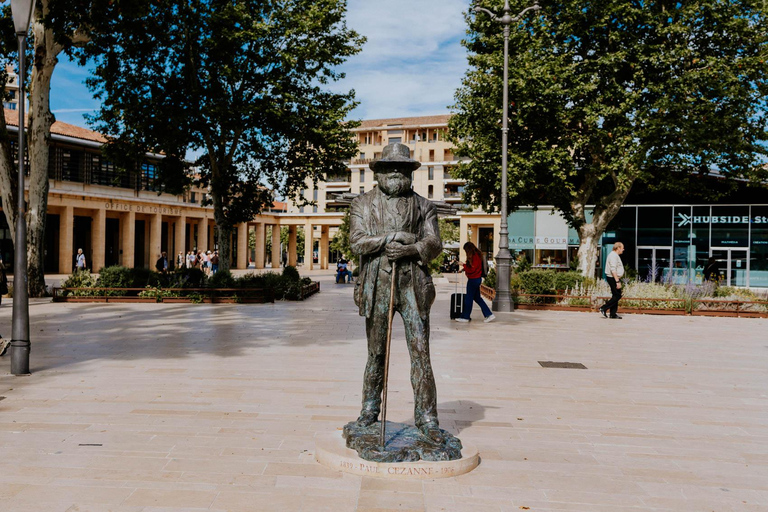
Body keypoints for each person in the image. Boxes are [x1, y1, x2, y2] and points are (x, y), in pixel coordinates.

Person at [349, 142, 444, 441]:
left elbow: (434, 243)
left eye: (401, 169)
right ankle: (369, 409)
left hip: (414, 285)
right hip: (377, 285)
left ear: (410, 173)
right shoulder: (362, 204)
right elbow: (357, 242)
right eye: (389, 168)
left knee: (421, 352)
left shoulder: (424, 206)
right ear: (377, 173)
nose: (395, 173)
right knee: (376, 352)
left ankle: (427, 418)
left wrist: (411, 249)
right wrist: (392, 237)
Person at [455, 242, 495, 323]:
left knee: (468, 298)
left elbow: (472, 269)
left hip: (473, 279)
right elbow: (473, 267)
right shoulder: (478, 255)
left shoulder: (474, 256)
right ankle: (489, 314)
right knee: (477, 298)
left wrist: (463, 265)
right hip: (476, 279)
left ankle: (466, 317)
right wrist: (464, 269)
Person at [600, 242, 625, 319]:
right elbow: (613, 269)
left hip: (614, 278)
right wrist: (617, 281)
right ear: (618, 248)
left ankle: (613, 314)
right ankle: (603, 308)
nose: (623, 250)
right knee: (617, 295)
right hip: (612, 278)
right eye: (622, 248)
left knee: (615, 295)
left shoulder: (615, 255)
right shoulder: (613, 256)